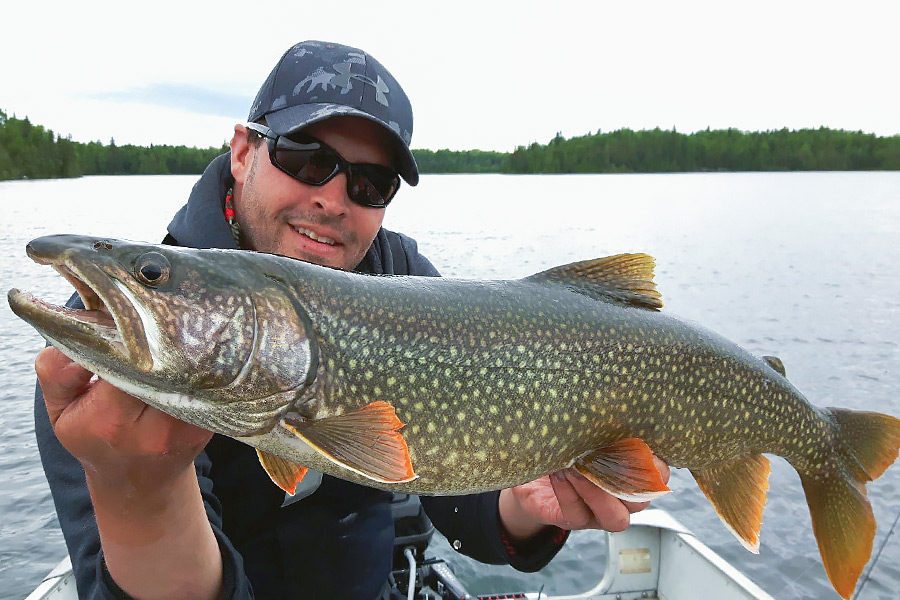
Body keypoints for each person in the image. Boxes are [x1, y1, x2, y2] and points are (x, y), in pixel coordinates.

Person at [34, 40, 670, 600]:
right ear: (242, 152)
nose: (332, 199)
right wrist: (142, 496)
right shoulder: (113, 354)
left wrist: (529, 506)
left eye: (370, 185)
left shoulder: (400, 281)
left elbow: (456, 494)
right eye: (307, 158)